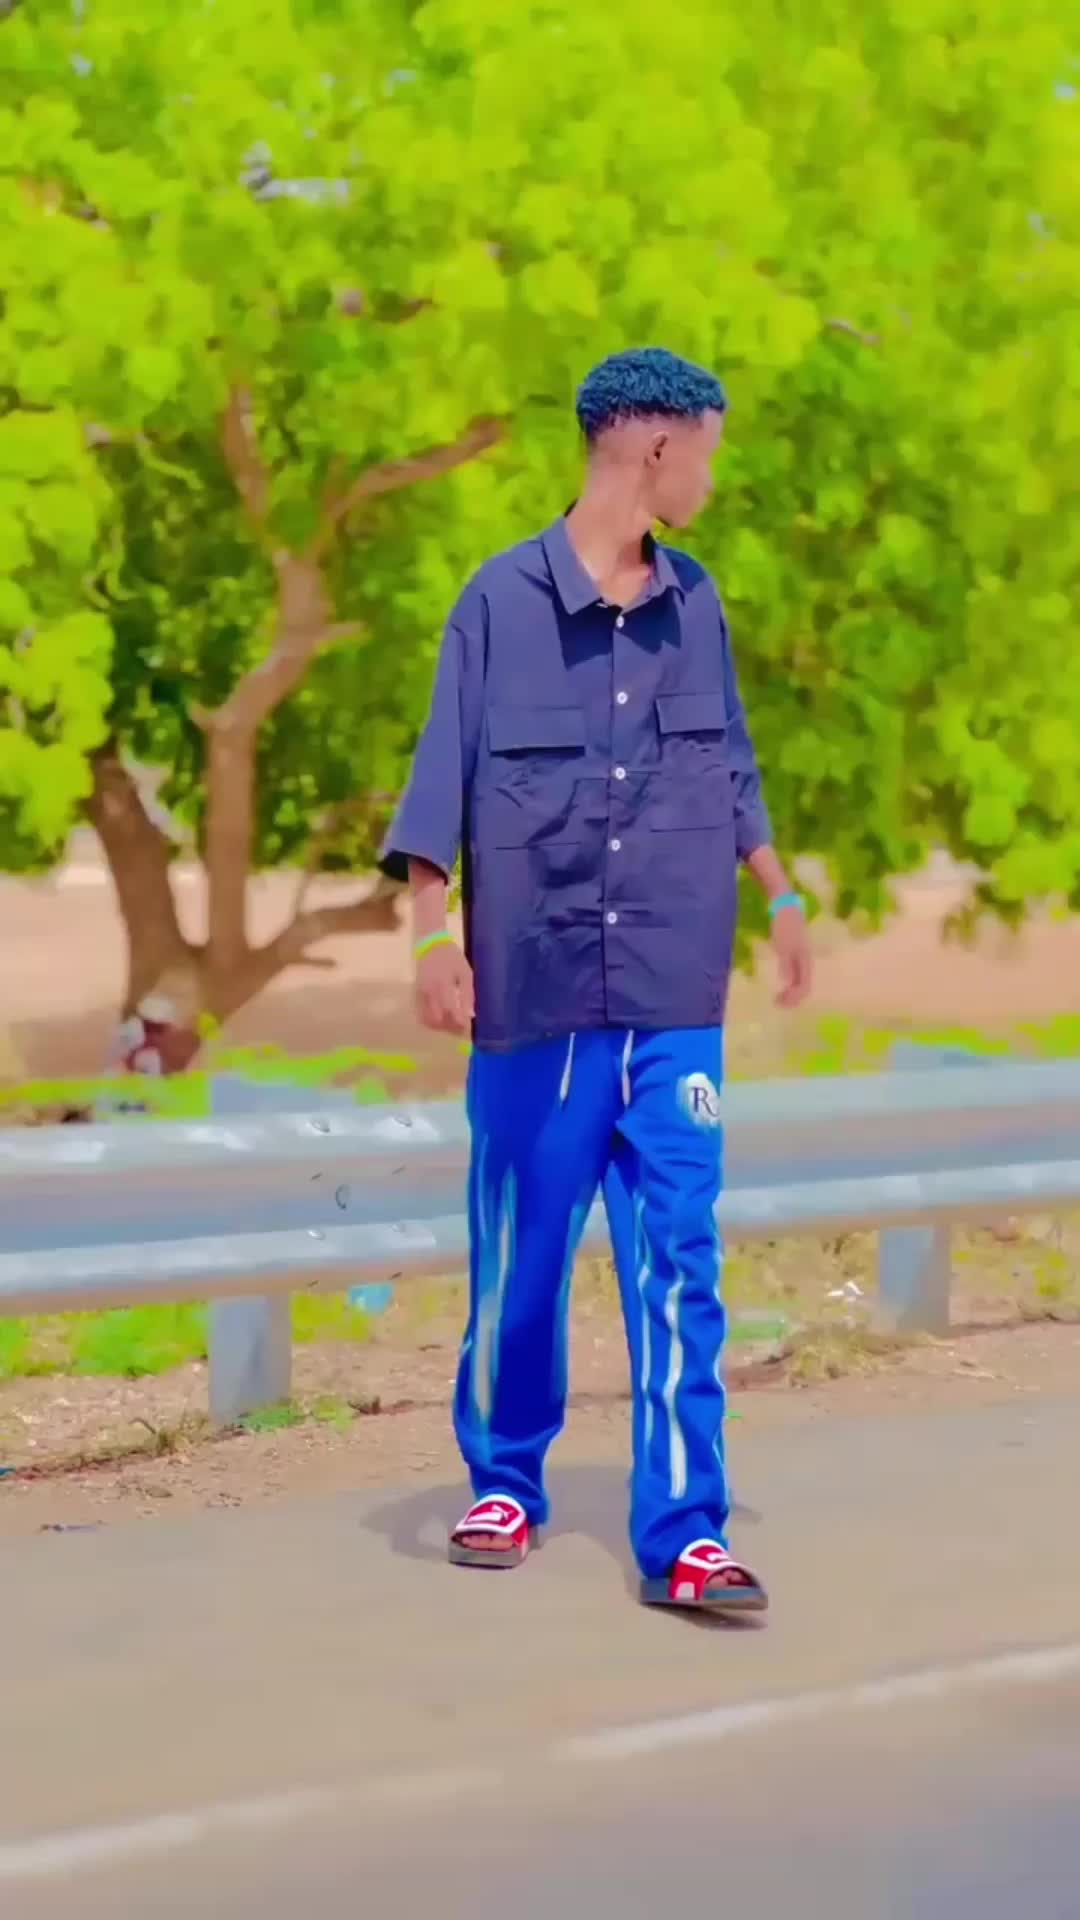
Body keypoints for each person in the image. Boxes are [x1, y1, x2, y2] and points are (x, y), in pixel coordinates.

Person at [380, 347, 812, 1612]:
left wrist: (782, 892)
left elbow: (731, 760)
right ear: (657, 448)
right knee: (521, 1260)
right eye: (708, 453)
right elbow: (440, 778)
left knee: (680, 1261)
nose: (712, 480)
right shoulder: (498, 604)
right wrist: (431, 937)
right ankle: (505, 1479)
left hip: (674, 990)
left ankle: (686, 1532)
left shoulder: (697, 604)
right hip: (539, 993)